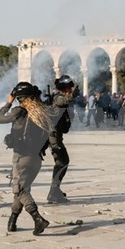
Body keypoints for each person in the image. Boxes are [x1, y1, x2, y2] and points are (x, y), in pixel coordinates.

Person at [0, 82, 52, 235]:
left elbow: (0, 119)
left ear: (19, 97)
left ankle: (38, 218)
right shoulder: (41, 112)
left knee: (19, 189)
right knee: (22, 189)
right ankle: (12, 220)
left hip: (22, 158)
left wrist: (8, 102)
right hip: (36, 158)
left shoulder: (18, 111)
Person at [47, 74, 79, 203]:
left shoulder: (58, 95)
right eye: (69, 89)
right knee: (62, 162)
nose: (70, 91)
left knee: (62, 162)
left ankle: (55, 190)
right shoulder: (57, 97)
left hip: (56, 135)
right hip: (53, 136)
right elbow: (63, 101)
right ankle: (54, 191)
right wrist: (73, 96)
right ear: (64, 88)